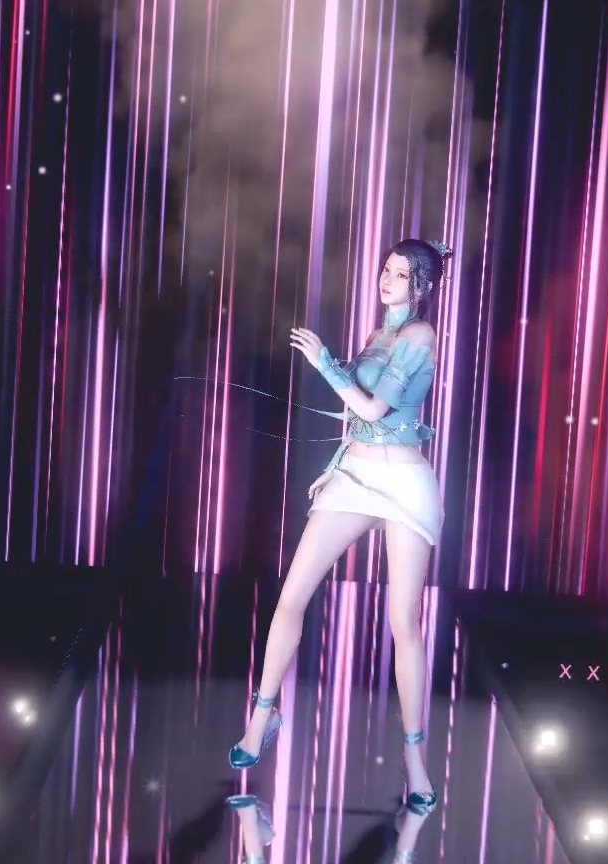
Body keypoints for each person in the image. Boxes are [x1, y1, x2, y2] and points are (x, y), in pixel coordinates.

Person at [228, 238, 451, 820]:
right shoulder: (377, 335)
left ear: (421, 287)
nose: (386, 280)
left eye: (399, 274)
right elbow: (359, 419)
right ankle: (261, 720)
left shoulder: (420, 336)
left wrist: (325, 363)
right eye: (385, 270)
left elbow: (376, 409)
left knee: (404, 621)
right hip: (355, 473)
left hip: (404, 481)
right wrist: (334, 464)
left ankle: (415, 760)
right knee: (291, 595)